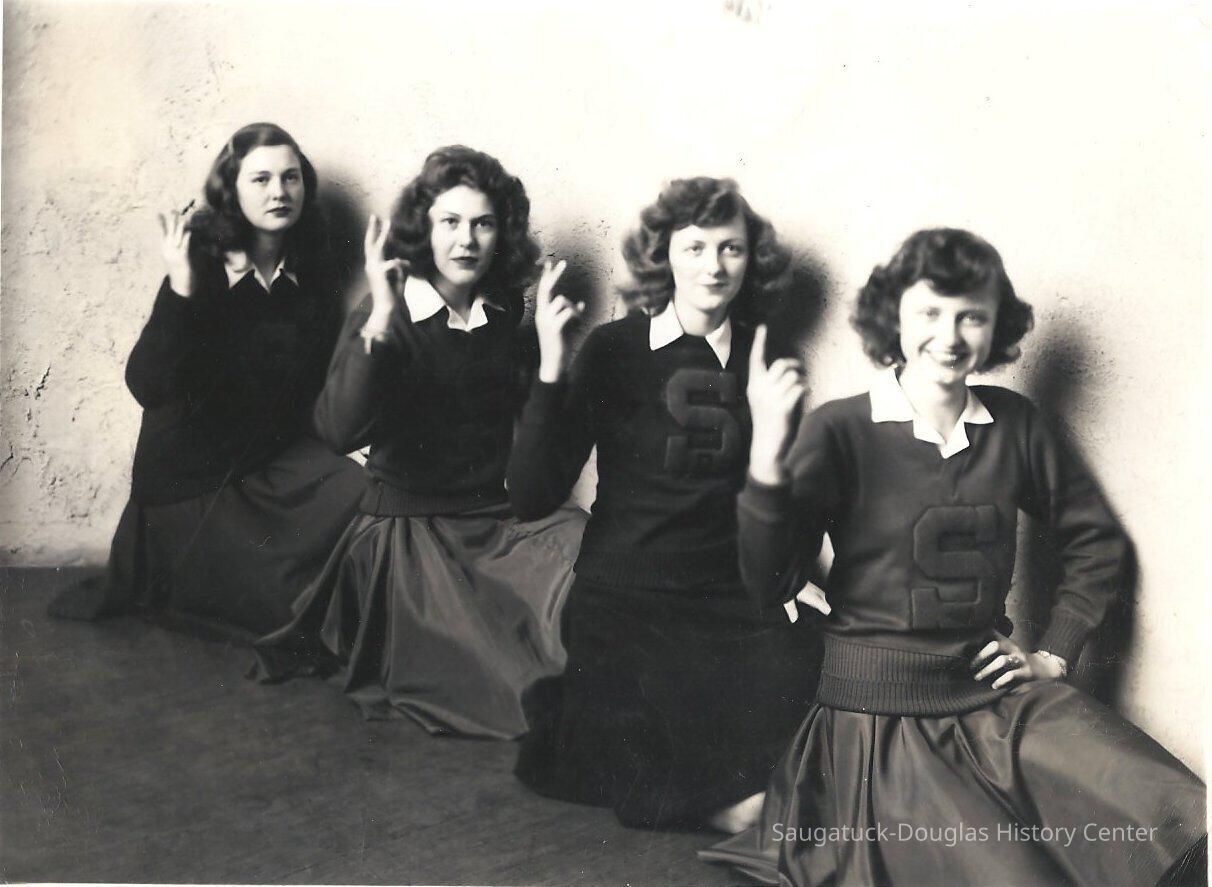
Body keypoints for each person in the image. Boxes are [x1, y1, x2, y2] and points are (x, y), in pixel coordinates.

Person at [701, 228, 1207, 886]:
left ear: (996, 326)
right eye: (929, 313)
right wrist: (768, 459)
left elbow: (1097, 542)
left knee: (1171, 809)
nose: (949, 335)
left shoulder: (1016, 423)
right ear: (893, 317)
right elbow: (770, 579)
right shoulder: (841, 427)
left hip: (991, 699)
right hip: (877, 724)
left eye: (971, 316)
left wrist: (1053, 653)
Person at [510, 177, 823, 832]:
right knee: (638, 716)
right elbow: (534, 492)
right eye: (695, 247)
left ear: (751, 259)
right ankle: (718, 808)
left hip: (724, 593)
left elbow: (776, 494)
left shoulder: (765, 355)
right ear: (664, 255)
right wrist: (550, 365)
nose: (714, 266)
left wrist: (794, 576)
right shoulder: (614, 349)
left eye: (731, 248)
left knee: (811, 663)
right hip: (623, 594)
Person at [252, 146, 586, 741]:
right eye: (450, 222)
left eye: (483, 224)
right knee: (515, 683)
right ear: (422, 230)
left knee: (591, 565)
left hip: (494, 520)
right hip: (410, 535)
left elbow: (529, 466)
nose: (467, 240)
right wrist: (381, 317)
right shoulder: (386, 310)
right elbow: (338, 431)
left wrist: (550, 360)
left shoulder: (503, 311)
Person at [48, 122, 364, 641]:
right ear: (231, 190)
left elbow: (310, 389)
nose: (279, 192)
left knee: (365, 493)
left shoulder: (312, 274)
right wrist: (181, 287)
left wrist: (349, 442)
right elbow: (147, 385)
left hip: (269, 460)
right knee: (289, 605)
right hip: (191, 479)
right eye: (260, 179)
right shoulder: (198, 267)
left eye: (290, 178)